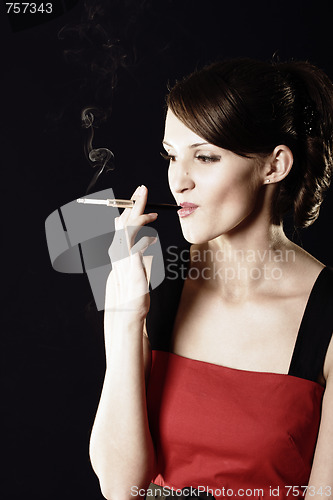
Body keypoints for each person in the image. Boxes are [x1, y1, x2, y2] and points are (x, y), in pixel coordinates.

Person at [89, 58, 333, 499]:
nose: (178, 181)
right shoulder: (155, 290)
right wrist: (123, 318)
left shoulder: (327, 314)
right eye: (171, 155)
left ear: (274, 166)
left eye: (204, 157)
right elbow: (120, 487)